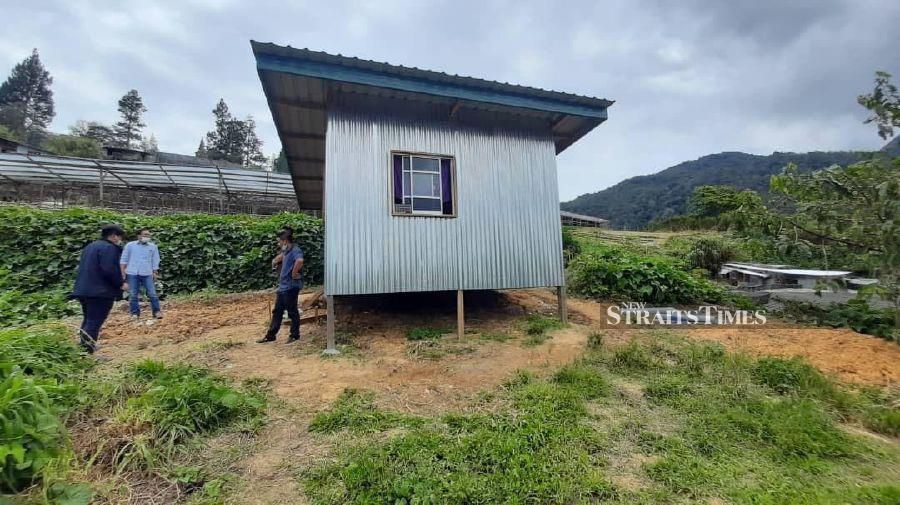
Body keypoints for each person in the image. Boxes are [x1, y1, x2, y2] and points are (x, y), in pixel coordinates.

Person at [71, 224, 128, 354]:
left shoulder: (90, 246)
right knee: (94, 321)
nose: (120, 240)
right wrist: (121, 283)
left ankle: (84, 347)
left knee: (88, 319)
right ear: (114, 236)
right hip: (100, 291)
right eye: (120, 237)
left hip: (84, 289)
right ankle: (87, 353)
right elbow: (109, 270)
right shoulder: (109, 248)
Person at [258, 229, 304, 343]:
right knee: (277, 311)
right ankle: (271, 335)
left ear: (285, 241)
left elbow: (299, 261)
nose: (278, 244)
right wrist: (275, 260)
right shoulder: (287, 251)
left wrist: (293, 273)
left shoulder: (295, 250)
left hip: (291, 286)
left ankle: (295, 335)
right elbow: (282, 256)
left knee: (292, 311)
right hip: (283, 287)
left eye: (279, 242)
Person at [120, 227, 162, 320]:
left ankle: (157, 312)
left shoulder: (152, 246)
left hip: (147, 273)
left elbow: (155, 260)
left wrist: (155, 272)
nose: (147, 236)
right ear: (139, 236)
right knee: (133, 294)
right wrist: (122, 273)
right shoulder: (130, 245)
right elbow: (124, 259)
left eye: (148, 235)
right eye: (145, 235)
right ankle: (135, 313)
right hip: (132, 273)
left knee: (152, 293)